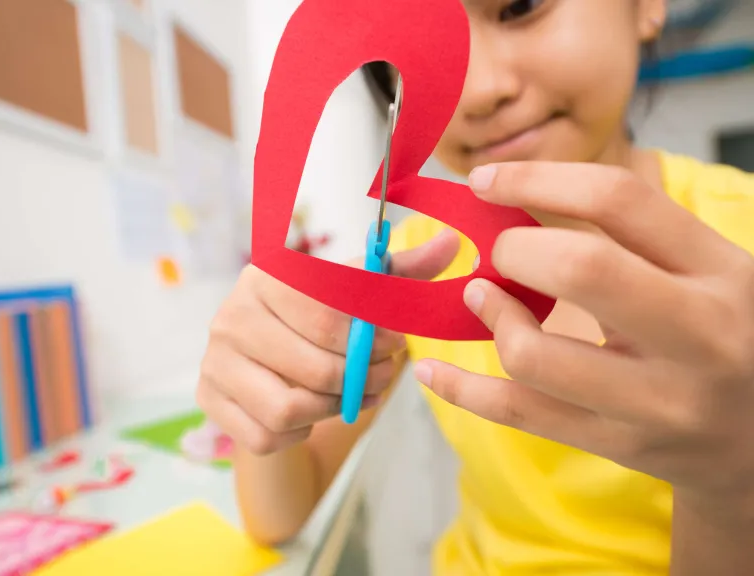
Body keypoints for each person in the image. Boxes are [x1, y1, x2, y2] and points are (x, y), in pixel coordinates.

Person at [196, 0, 754, 573]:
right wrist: (262, 392)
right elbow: (279, 515)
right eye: (413, 51)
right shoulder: (424, 257)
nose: (480, 89)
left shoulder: (743, 254)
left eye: (519, 8)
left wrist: (731, 488)